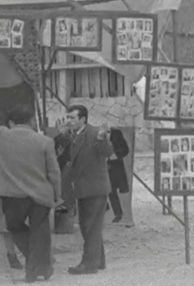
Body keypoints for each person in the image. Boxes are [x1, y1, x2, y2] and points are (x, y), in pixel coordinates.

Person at [0, 105, 61, 283]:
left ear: (11, 122)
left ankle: (34, 269)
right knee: (40, 232)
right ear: (31, 121)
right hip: (41, 194)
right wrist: (56, 195)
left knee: (14, 228)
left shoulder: (1, 135)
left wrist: (3, 129)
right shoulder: (45, 141)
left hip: (11, 194)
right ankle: (41, 267)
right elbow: (54, 173)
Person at [61, 105, 114, 275]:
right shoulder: (74, 135)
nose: (68, 121)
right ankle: (98, 261)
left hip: (95, 187)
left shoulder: (95, 133)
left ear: (83, 119)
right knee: (88, 225)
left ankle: (89, 264)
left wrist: (102, 139)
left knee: (90, 226)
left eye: (72, 118)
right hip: (84, 188)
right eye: (67, 117)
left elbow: (107, 152)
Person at [107, 128, 130, 223]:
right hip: (99, 166)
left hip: (114, 167)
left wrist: (115, 155)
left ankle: (118, 214)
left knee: (112, 191)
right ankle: (103, 210)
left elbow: (125, 150)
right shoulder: (95, 132)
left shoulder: (116, 133)